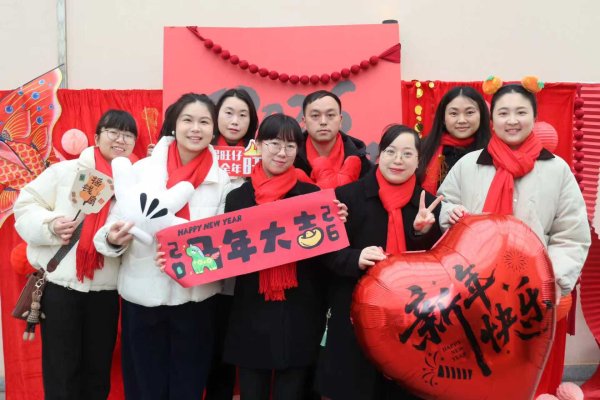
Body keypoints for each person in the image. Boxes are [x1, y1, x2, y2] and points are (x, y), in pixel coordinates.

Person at [438, 82, 591, 396]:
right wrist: (449, 214)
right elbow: (443, 204)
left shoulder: (556, 169)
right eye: (503, 113)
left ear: (534, 117)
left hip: (533, 296)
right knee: (477, 375)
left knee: (530, 380)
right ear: (492, 119)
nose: (512, 120)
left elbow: (571, 234)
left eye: (521, 112)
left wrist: (550, 283)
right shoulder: (469, 165)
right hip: (474, 294)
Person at [94, 93, 231, 400]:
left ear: (213, 129)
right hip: (143, 298)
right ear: (173, 124)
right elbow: (110, 226)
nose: (195, 128)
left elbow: (223, 241)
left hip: (196, 299)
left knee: (188, 386)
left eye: (204, 122)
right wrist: (113, 238)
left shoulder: (222, 180)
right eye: (187, 120)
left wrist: (187, 257)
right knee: (145, 386)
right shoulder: (142, 170)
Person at [14, 110, 138, 400]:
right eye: (113, 132)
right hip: (61, 289)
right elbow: (25, 206)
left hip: (105, 293)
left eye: (128, 135)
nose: (120, 140)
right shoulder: (65, 172)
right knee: (61, 373)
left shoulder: (135, 183)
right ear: (96, 137)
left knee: (97, 373)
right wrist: (50, 224)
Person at [222, 113, 344, 400]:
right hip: (252, 309)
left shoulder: (311, 196)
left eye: (290, 146)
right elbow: (227, 254)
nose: (282, 152)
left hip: (300, 308)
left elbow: (324, 256)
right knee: (251, 391)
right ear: (258, 145)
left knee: (293, 391)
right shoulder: (238, 198)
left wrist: (336, 222)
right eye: (274, 143)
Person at [316, 124, 443, 400]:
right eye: (391, 151)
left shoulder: (428, 205)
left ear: (418, 161)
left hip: (408, 317)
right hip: (354, 313)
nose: (398, 160)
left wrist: (421, 233)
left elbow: (437, 268)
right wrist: (355, 258)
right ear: (379, 155)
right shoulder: (346, 197)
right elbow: (325, 255)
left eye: (407, 154)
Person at [206, 88, 258, 400]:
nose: (235, 121)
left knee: (237, 351)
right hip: (205, 272)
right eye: (228, 113)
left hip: (245, 274)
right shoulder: (200, 153)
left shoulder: (262, 158)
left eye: (242, 114)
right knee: (210, 350)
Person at [419, 86, 490, 194]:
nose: (461, 120)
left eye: (469, 112)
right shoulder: (422, 149)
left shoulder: (492, 152)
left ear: (481, 115)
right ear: (443, 118)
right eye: (453, 113)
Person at [295, 90, 372, 189]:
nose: (323, 122)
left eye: (330, 115)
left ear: (340, 120)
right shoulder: (290, 158)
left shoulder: (360, 161)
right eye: (315, 116)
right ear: (304, 122)